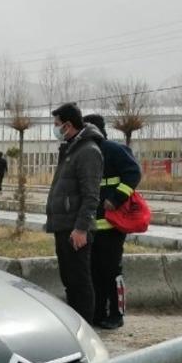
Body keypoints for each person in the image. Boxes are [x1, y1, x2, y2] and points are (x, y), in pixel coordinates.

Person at [45, 103, 104, 322]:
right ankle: (76, 323)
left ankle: (85, 327)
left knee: (79, 281)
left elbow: (91, 195)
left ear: (68, 125)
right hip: (64, 226)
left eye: (57, 125)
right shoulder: (71, 148)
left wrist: (81, 228)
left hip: (75, 229)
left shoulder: (88, 151)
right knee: (69, 279)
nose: (55, 129)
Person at [83, 113, 142, 329]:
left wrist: (116, 199)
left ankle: (117, 314)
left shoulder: (114, 150)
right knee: (94, 273)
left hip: (111, 227)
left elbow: (134, 173)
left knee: (111, 272)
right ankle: (98, 313)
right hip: (91, 226)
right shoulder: (86, 152)